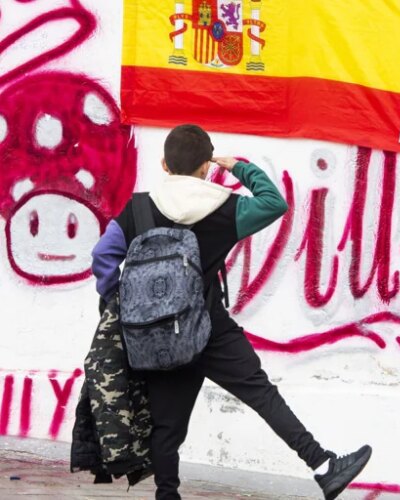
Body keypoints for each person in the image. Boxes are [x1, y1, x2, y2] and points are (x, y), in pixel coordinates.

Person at [91, 124, 371, 500]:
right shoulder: (224, 208)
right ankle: (323, 467)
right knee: (261, 395)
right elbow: (274, 202)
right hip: (210, 329)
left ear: (164, 164)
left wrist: (118, 308)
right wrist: (239, 167)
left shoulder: (138, 208)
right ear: (206, 167)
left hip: (158, 335)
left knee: (167, 427)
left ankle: (166, 495)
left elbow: (103, 257)